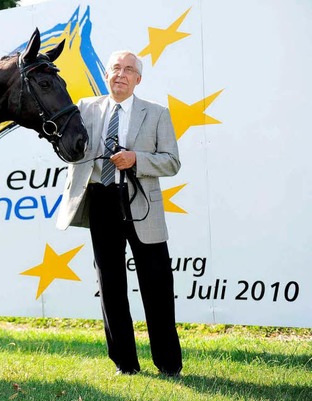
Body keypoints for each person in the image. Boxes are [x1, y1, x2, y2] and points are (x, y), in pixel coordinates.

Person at [56, 50, 182, 377]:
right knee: (110, 285)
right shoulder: (85, 108)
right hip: (100, 199)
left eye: (128, 70)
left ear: (138, 79)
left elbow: (171, 161)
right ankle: (125, 365)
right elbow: (67, 143)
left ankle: (168, 364)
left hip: (141, 202)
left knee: (156, 285)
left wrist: (136, 159)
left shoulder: (156, 114)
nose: (120, 75)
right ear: (107, 74)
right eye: (115, 68)